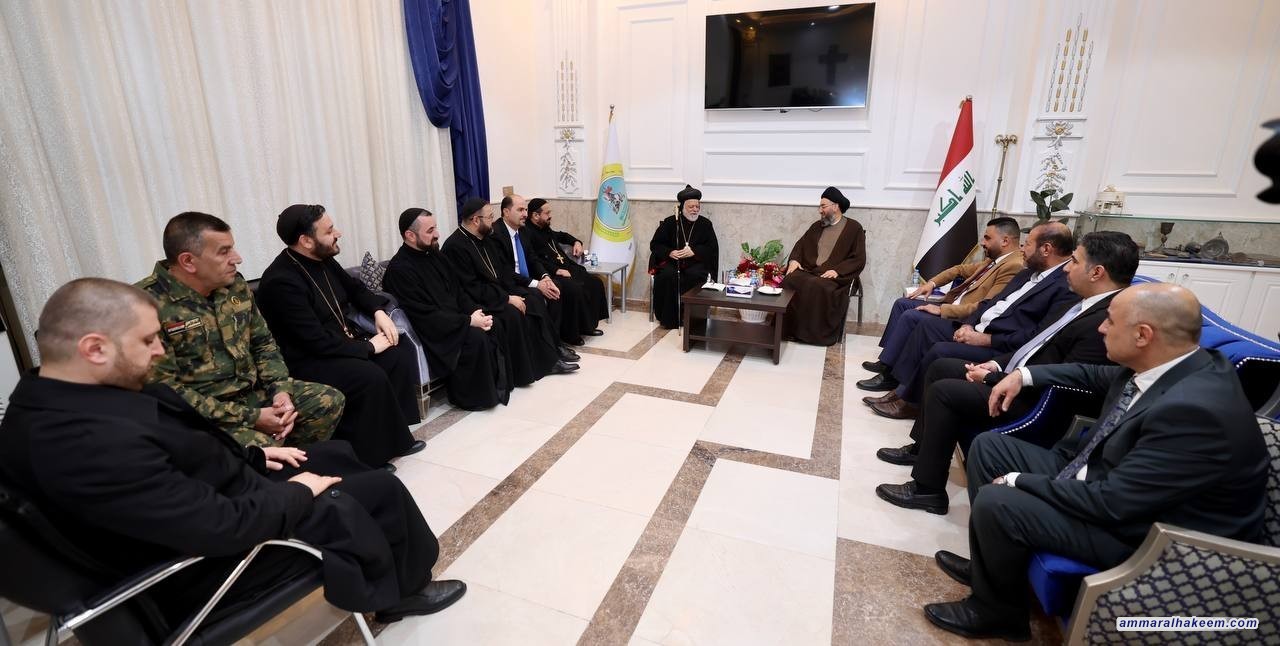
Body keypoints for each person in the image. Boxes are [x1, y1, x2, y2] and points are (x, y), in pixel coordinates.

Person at [0, 278, 466, 636]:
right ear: (94, 348)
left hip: (217, 498)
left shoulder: (56, 400)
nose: (160, 351)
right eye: (147, 341)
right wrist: (299, 493)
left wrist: (256, 459)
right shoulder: (83, 445)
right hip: (214, 563)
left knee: (336, 453)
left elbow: (170, 460)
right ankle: (403, 592)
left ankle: (391, 573)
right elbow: (220, 527)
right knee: (378, 489)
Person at [922, 282, 1267, 640]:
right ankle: (991, 570)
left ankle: (998, 613)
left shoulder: (1193, 411)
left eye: (1111, 321)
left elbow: (1114, 504)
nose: (1101, 327)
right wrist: (1021, 375)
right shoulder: (1175, 363)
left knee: (999, 501)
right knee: (990, 448)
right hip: (1113, 483)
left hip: (1154, 537)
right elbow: (1090, 374)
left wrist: (1018, 481)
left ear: (1143, 335)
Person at [873, 231, 1138, 515]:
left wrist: (994, 378)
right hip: (1018, 375)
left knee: (945, 392)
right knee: (941, 367)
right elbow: (1037, 345)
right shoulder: (1084, 302)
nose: (1067, 268)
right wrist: (997, 365)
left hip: (1034, 401)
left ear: (1097, 272)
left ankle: (927, 490)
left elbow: (1066, 378)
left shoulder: (1107, 319)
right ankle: (922, 450)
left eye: (1074, 261)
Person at [137, 212, 344, 450]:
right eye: (224, 252)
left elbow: (263, 344)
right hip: (200, 414)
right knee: (261, 446)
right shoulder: (144, 304)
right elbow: (165, 389)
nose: (237, 259)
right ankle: (272, 467)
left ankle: (294, 463)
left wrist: (280, 392)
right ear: (188, 261)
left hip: (254, 394)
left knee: (327, 401)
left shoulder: (235, 286)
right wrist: (252, 418)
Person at [256, 204, 424, 468]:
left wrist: (378, 311)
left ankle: (397, 437)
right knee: (368, 377)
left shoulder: (323, 260)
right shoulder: (281, 281)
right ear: (306, 241)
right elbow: (314, 340)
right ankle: (370, 457)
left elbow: (356, 289)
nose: (338, 233)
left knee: (396, 356)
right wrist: (368, 348)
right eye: (329, 230)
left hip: (337, 344)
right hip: (307, 359)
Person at [858, 221, 1078, 418]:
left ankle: (910, 402)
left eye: (1027, 244)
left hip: (998, 345)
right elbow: (990, 303)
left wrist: (986, 339)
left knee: (939, 349)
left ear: (1046, 249)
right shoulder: (1027, 274)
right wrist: (968, 325)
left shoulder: (1062, 287)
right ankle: (899, 388)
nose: (1022, 249)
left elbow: (1037, 337)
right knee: (926, 326)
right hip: (978, 326)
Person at [383, 207, 511, 410]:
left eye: (436, 227)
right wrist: (468, 321)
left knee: (494, 323)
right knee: (476, 337)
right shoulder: (400, 270)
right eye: (430, 230)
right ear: (410, 235)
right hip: (435, 331)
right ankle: (475, 398)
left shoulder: (435, 255)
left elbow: (458, 292)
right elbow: (424, 315)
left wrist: (475, 312)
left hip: (454, 319)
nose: (437, 234)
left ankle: (499, 387)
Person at [442, 197, 578, 385]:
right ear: (476, 220)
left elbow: (502, 271)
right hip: (477, 301)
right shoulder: (455, 247)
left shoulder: (483, 238)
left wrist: (517, 291)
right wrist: (506, 298)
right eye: (490, 217)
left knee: (532, 299)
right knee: (513, 312)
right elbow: (471, 287)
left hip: (496, 292)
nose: (493, 221)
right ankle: (526, 370)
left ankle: (549, 357)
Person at [862, 217, 1022, 373]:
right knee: (902, 303)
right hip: (952, 304)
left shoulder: (1013, 266)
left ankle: (889, 369)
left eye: (987, 238)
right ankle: (888, 358)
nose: (982, 243)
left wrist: (942, 310)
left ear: (1005, 241)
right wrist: (931, 284)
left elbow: (985, 306)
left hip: (962, 317)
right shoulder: (995, 260)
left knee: (911, 316)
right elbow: (959, 269)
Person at [490, 194, 595, 347]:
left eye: (525, 210)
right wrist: (537, 283)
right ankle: (548, 346)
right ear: (506, 212)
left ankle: (557, 342)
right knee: (539, 296)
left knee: (554, 287)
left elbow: (533, 258)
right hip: (509, 283)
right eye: (520, 210)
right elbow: (505, 271)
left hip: (526, 279)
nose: (525, 214)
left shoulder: (523, 231)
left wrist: (545, 277)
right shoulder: (496, 234)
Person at [781, 186, 867, 345]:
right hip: (811, 271)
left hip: (835, 276)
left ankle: (812, 336)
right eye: (819, 206)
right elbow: (800, 245)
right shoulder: (816, 226)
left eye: (823, 206)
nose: (820, 210)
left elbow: (858, 258)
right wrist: (794, 260)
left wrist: (838, 271)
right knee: (790, 280)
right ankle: (788, 331)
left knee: (817, 286)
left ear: (835, 206)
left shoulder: (854, 228)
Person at [524, 197, 608, 333]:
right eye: (547, 213)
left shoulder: (545, 228)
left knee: (595, 283)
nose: (550, 216)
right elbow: (533, 259)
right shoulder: (527, 233)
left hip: (566, 267)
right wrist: (556, 270)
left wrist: (576, 242)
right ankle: (573, 334)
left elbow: (562, 236)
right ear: (535, 215)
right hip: (551, 273)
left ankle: (589, 326)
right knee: (575, 289)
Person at [649, 184, 718, 329]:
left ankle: (693, 318)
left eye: (697, 207)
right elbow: (655, 244)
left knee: (695, 275)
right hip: (672, 262)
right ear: (682, 207)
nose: (695, 209)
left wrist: (695, 251)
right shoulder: (670, 222)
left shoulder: (705, 224)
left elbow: (712, 248)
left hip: (695, 263)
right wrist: (670, 252)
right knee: (668, 275)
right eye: (691, 206)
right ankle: (669, 319)